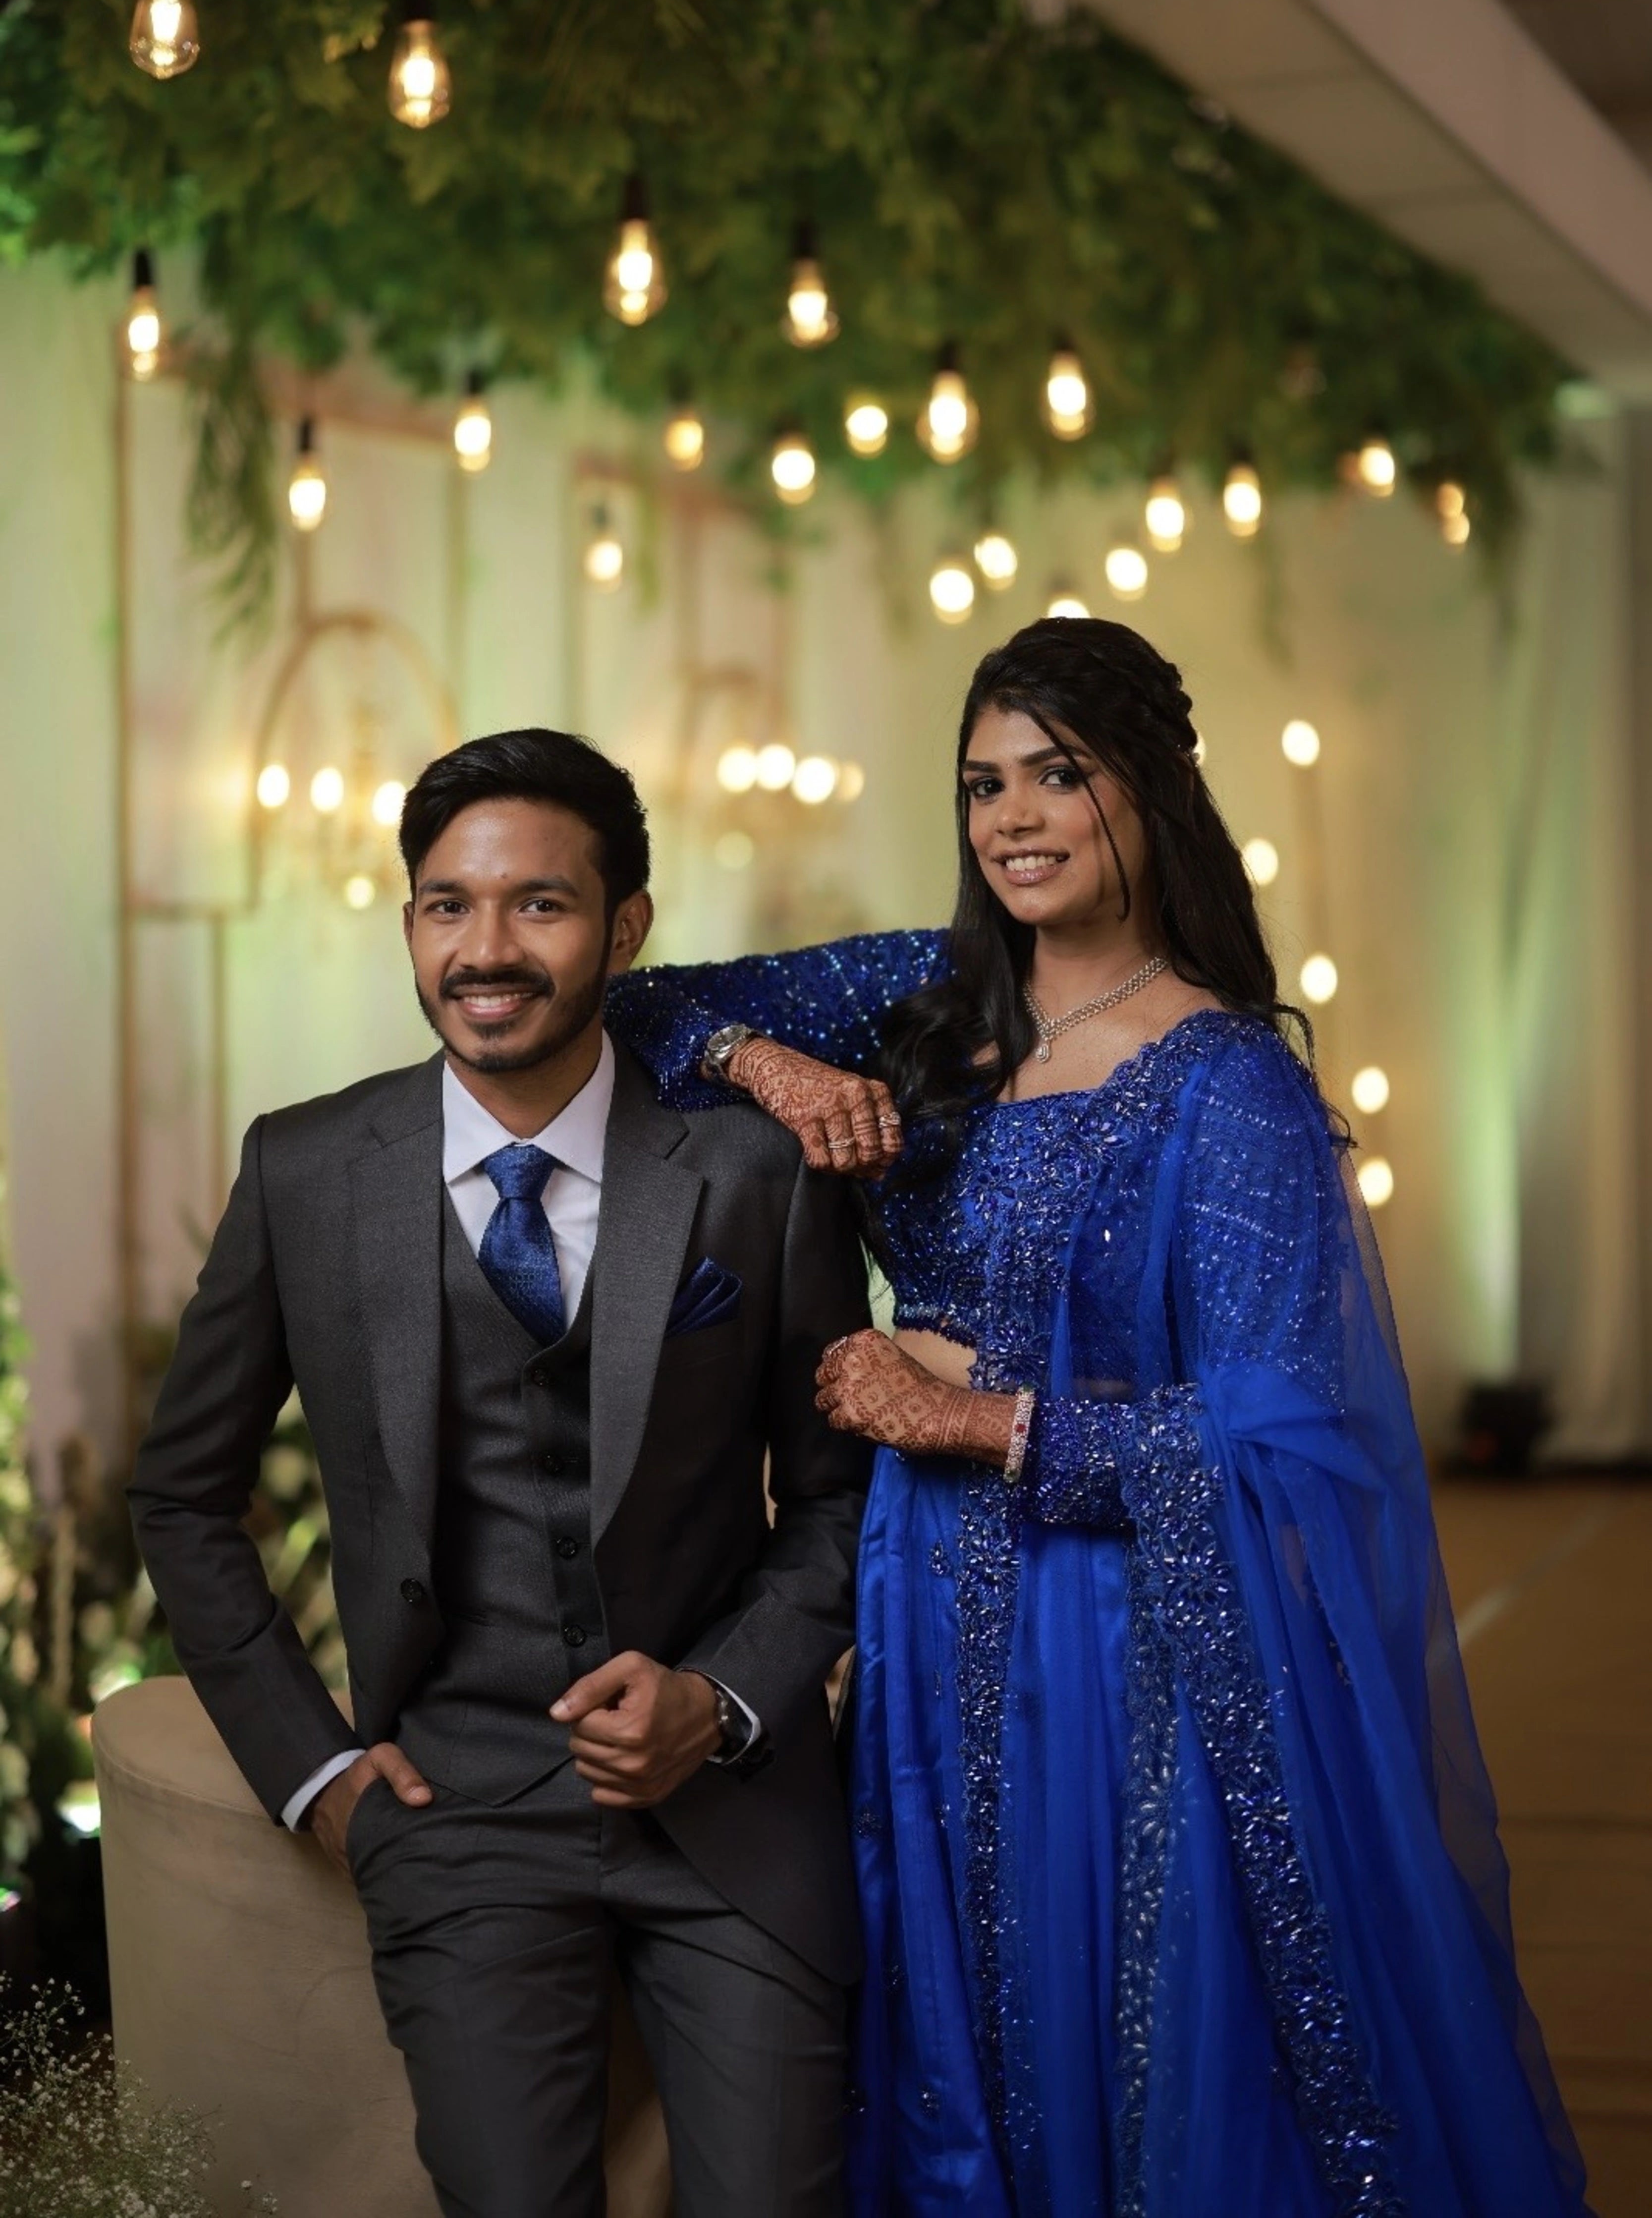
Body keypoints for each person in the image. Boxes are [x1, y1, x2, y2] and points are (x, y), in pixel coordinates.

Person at [607, 618, 1594, 2218]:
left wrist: (978, 1420)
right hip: (926, 1630)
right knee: (954, 2027)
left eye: (1058, 775)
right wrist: (773, 1069)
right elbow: (643, 1001)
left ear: (1150, 789)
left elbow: (1293, 1446)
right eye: (984, 782)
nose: (1013, 817)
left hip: (1130, 1654)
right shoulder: (928, 1001)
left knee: (1130, 2039)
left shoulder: (1231, 1087)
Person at [129, 728, 873, 2218]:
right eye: (446, 905)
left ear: (626, 929)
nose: (487, 949)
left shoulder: (750, 1177)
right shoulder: (306, 1170)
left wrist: (719, 1701)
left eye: (539, 904)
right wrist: (323, 1774)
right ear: (410, 922)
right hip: (457, 1818)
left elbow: (847, 1502)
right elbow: (180, 1496)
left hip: (732, 1820)